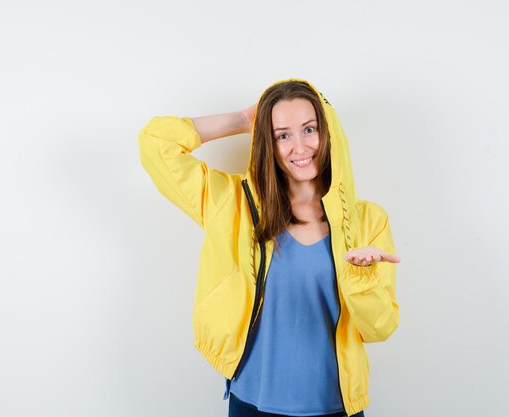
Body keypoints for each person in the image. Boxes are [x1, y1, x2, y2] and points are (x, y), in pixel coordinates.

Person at [138, 78, 401, 417]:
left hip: (337, 407)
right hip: (252, 403)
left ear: (328, 132)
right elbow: (156, 144)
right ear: (268, 142)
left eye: (309, 129)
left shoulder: (368, 221)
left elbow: (380, 328)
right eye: (282, 135)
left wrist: (362, 279)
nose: (300, 146)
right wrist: (243, 120)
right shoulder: (232, 204)